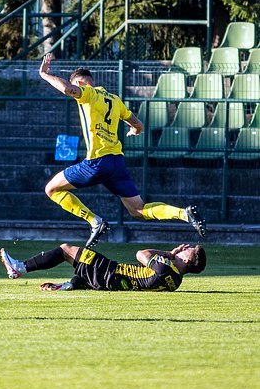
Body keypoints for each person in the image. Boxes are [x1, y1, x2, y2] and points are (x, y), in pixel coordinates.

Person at [38, 53, 206, 247]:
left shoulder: (88, 94)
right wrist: (134, 131)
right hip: (116, 163)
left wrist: (45, 74)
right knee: (138, 210)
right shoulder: (115, 100)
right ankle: (183, 213)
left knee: (51, 189)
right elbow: (138, 125)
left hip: (96, 162)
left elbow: (67, 88)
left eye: (77, 85)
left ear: (81, 83)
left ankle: (95, 221)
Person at [0, 242, 206, 292]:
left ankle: (19, 268)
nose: (183, 248)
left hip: (108, 272)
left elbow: (141, 254)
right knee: (82, 269)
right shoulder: (176, 280)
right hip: (110, 279)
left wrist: (168, 253)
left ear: (188, 261)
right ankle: (70, 285)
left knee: (66, 250)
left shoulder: (166, 267)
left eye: (187, 250)